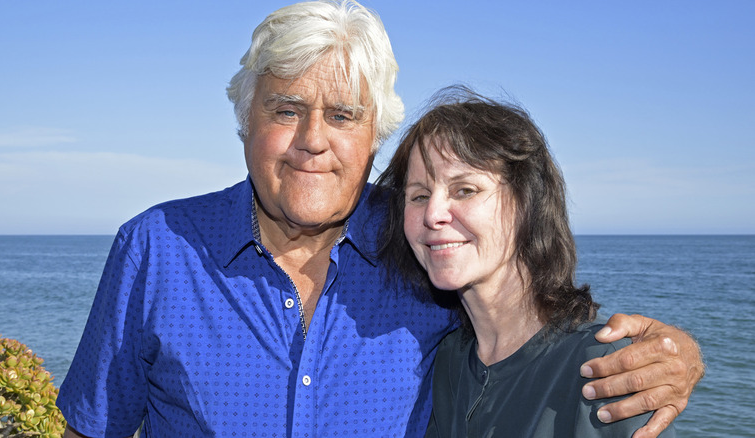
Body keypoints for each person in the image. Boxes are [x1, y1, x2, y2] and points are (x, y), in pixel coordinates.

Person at [56, 1, 703, 437]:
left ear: (374, 136)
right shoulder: (156, 248)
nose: (314, 139)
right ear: (244, 122)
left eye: (342, 116)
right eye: (286, 110)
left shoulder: (426, 244)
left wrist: (674, 356)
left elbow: (531, 340)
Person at [376, 86, 677, 437]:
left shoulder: (603, 368)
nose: (433, 214)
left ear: (526, 203)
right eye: (419, 195)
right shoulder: (449, 361)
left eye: (465, 190)